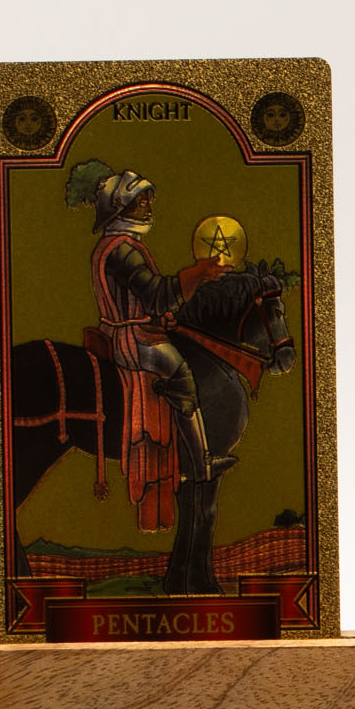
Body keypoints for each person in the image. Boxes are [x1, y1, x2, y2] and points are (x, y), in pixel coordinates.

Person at [67, 160, 233, 532]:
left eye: (146, 200)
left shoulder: (117, 245)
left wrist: (163, 315)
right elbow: (156, 294)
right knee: (181, 371)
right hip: (132, 341)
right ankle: (202, 463)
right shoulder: (123, 250)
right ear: (120, 208)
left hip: (129, 331)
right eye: (139, 201)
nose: (146, 206)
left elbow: (147, 302)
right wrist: (197, 274)